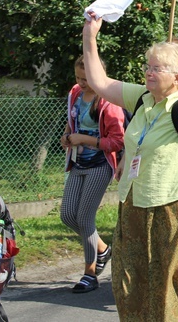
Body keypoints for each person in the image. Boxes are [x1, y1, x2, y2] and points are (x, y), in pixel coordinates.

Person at [82, 11, 178, 321]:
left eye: (157, 68)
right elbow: (98, 82)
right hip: (134, 204)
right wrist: (90, 36)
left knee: (167, 288)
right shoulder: (142, 99)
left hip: (176, 206)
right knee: (129, 284)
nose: (149, 72)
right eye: (147, 66)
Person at [60, 57, 125, 293]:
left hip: (99, 165)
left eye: (86, 79)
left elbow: (118, 141)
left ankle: (90, 274)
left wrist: (85, 140)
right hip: (78, 163)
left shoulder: (109, 101)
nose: (81, 83)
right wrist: (67, 135)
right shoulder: (76, 93)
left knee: (85, 218)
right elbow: (72, 120)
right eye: (78, 78)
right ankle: (102, 249)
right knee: (68, 215)